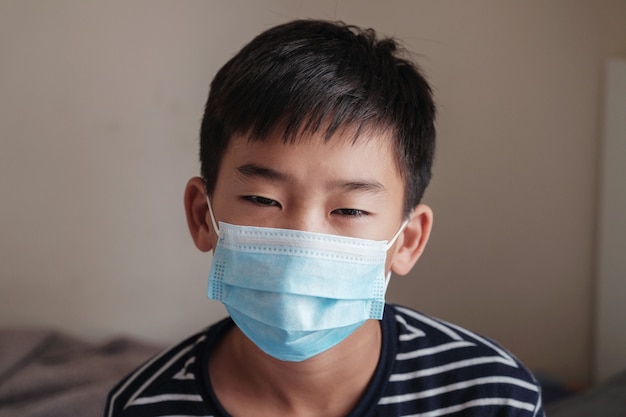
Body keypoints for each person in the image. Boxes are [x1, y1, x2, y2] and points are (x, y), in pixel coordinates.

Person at [103, 19, 544, 417]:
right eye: (262, 199)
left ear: (407, 240)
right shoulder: (141, 405)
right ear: (203, 215)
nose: (302, 241)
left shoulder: (493, 398)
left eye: (350, 210)